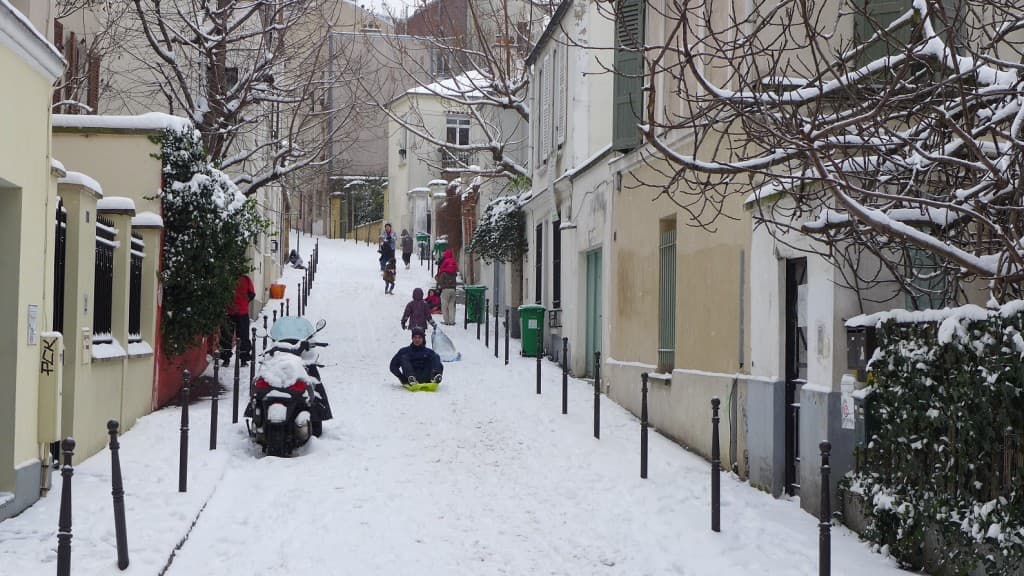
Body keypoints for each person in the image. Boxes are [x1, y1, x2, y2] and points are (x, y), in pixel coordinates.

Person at [220, 274, 255, 367]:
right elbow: (252, 293)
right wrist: (244, 302)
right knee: (243, 336)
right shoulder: (246, 279)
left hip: (229, 311)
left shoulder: (226, 277)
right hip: (242, 312)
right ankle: (244, 360)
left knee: (226, 336)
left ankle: (226, 359)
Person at [436, 248, 458, 325]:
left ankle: (446, 321)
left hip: (445, 290)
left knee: (444, 306)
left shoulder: (444, 267)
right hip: (453, 289)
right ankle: (452, 321)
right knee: (451, 306)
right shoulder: (453, 266)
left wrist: (438, 279)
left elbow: (440, 280)